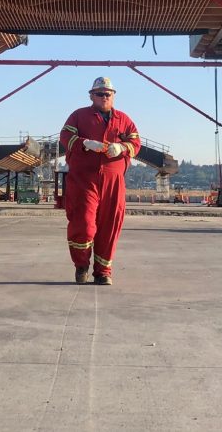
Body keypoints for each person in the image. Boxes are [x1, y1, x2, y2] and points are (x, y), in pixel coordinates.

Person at [59, 76, 141, 286]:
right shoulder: (78, 116)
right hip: (84, 180)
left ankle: (103, 271)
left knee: (110, 227)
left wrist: (122, 147)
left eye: (108, 94)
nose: (104, 97)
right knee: (84, 224)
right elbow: (65, 136)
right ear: (91, 96)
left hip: (113, 181)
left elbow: (135, 141)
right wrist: (85, 143)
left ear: (113, 96)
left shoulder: (124, 119)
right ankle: (81, 265)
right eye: (99, 94)